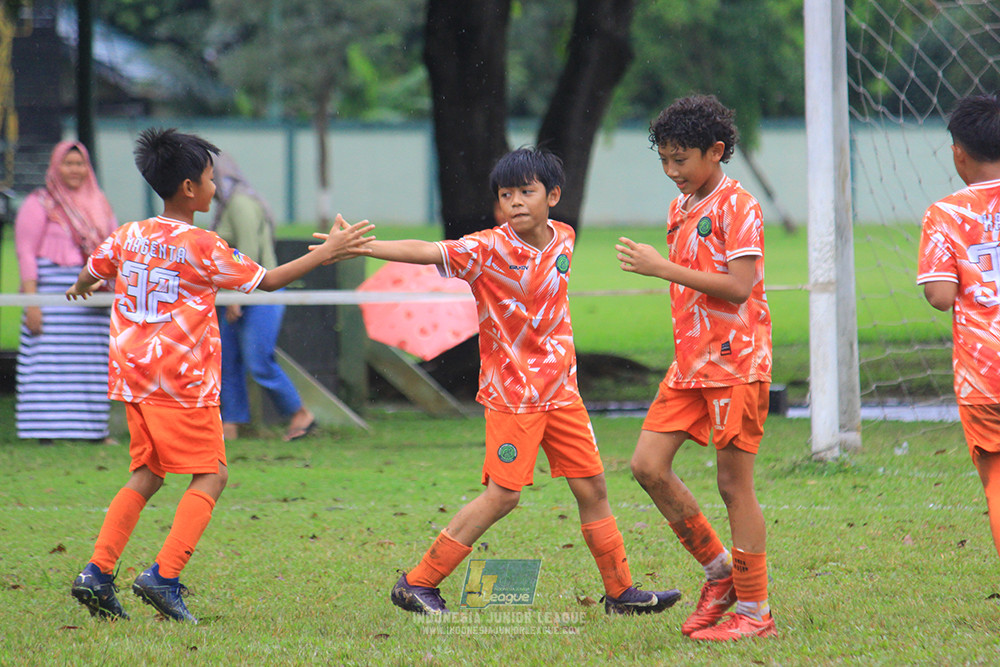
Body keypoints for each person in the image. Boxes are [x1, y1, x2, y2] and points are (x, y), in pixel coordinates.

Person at [318, 147, 680, 615]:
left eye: (526, 192)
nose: (514, 202)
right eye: (505, 195)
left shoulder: (564, 239)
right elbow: (428, 252)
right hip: (514, 399)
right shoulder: (485, 248)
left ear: (553, 196)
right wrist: (361, 245)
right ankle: (417, 582)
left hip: (562, 394)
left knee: (593, 489)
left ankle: (621, 593)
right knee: (504, 495)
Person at [66, 128, 374, 623]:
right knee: (212, 474)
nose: (215, 186)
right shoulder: (202, 244)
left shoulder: (130, 234)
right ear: (189, 188)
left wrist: (82, 285)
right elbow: (265, 281)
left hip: (133, 378)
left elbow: (94, 268)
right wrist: (328, 251)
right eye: (211, 179)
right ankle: (163, 577)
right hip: (180, 381)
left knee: (147, 474)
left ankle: (97, 574)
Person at [615, 95, 776, 641]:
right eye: (664, 159)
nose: (671, 172)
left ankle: (755, 614)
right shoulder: (679, 208)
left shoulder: (739, 206)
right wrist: (667, 269)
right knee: (647, 466)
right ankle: (720, 572)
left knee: (735, 487)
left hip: (736, 363)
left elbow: (738, 288)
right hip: (689, 365)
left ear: (716, 151)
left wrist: (663, 269)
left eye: (680, 160)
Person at [917, 92, 1000, 566]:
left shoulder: (945, 213)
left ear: (958, 152)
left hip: (984, 378)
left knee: (996, 485)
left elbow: (940, 296)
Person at [14, 141, 118, 442]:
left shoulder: (100, 202)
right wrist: (32, 304)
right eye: (68, 164)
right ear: (55, 166)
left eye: (80, 164)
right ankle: (45, 431)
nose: (75, 170)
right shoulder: (39, 203)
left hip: (91, 301)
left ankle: (92, 430)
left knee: (91, 366)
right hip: (51, 300)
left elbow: (113, 250)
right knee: (48, 365)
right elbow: (25, 254)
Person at [210, 153, 315, 442]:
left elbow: (247, 253)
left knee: (258, 360)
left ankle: (299, 413)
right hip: (233, 295)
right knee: (227, 361)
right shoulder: (226, 207)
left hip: (257, 294)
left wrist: (235, 297)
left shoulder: (241, 203)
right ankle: (229, 426)